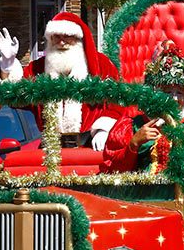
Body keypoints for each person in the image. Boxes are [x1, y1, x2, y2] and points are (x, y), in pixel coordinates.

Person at [103, 40, 184, 250]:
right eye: (166, 90)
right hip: (136, 199)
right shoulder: (132, 125)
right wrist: (134, 144)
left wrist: (174, 194)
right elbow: (112, 171)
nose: (173, 97)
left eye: (179, 91)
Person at [23, 12, 121, 150]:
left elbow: (118, 102)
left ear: (78, 38)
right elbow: (17, 96)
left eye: (67, 37)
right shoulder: (38, 68)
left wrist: (103, 129)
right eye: (57, 36)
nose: (62, 42)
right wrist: (7, 66)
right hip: (50, 147)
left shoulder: (102, 65)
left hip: (90, 145)